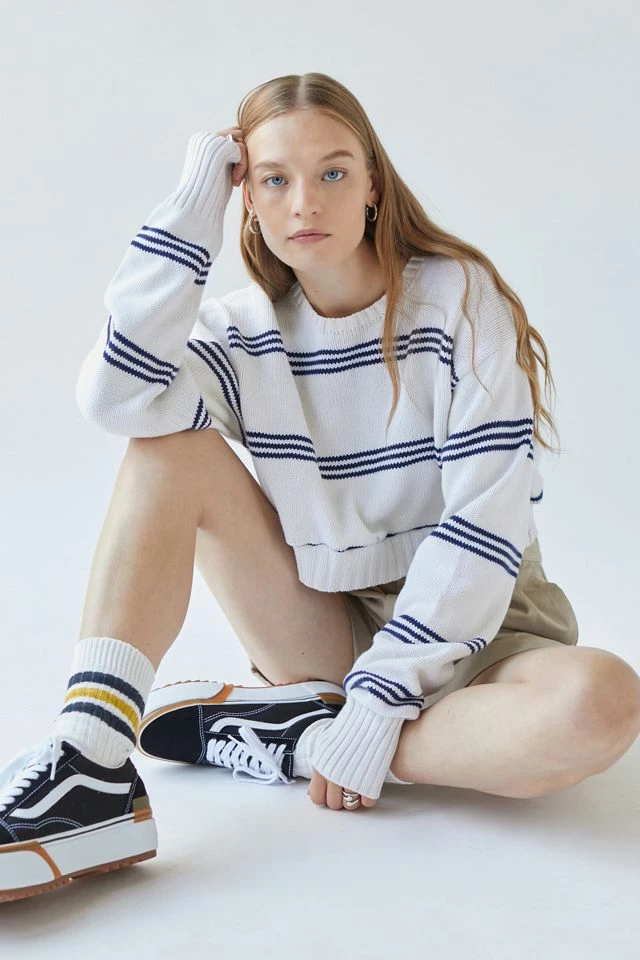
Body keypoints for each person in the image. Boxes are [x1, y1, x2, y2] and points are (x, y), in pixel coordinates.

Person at [2, 71, 639, 904]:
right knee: (165, 448)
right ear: (247, 199)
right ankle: (90, 762)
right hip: (325, 627)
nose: (305, 202)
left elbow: (484, 525)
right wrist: (191, 211)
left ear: (373, 183)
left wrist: (375, 708)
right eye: (274, 179)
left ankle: (298, 737)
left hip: (488, 628)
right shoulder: (243, 334)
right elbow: (117, 398)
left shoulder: (456, 299)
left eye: (333, 172)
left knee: (601, 702)